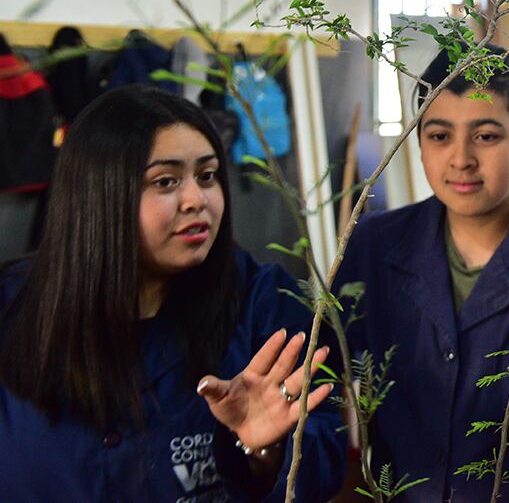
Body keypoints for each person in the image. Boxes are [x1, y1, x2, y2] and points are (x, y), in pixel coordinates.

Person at [0, 85, 345, 501]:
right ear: (99, 194)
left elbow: (323, 457)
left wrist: (262, 449)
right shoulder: (12, 307)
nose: (196, 200)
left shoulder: (265, 303)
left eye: (207, 175)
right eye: (165, 181)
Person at [336, 44, 509, 502]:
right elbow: (328, 374)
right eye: (439, 136)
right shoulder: (375, 247)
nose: (460, 159)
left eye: (485, 136)